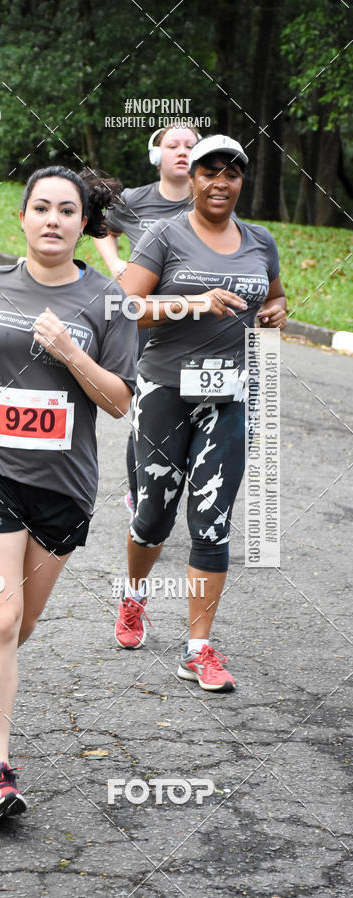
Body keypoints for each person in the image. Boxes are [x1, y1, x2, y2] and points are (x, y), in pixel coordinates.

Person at [0, 166, 137, 824]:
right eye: (41, 208)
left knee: (16, 627)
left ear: (85, 225)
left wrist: (70, 354)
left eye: (66, 211)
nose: (52, 219)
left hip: (61, 489)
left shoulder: (108, 301)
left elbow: (118, 402)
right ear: (22, 217)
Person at [114, 135, 287, 692]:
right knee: (153, 518)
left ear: (241, 181)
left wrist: (277, 310)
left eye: (231, 173)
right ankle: (135, 596)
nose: (219, 182)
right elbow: (126, 307)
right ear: (193, 179)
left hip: (229, 398)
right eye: (209, 171)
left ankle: (198, 649)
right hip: (164, 392)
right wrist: (194, 302)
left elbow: (276, 296)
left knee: (212, 524)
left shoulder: (260, 241)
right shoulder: (166, 235)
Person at [93, 125, 200, 521]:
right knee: (147, 409)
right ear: (156, 157)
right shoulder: (135, 200)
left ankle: (181, 489)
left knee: (188, 408)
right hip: (142, 323)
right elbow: (102, 227)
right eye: (172, 145)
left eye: (190, 145)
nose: (182, 152)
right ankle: (141, 495)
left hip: (193, 321)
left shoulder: (208, 200)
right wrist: (116, 264)